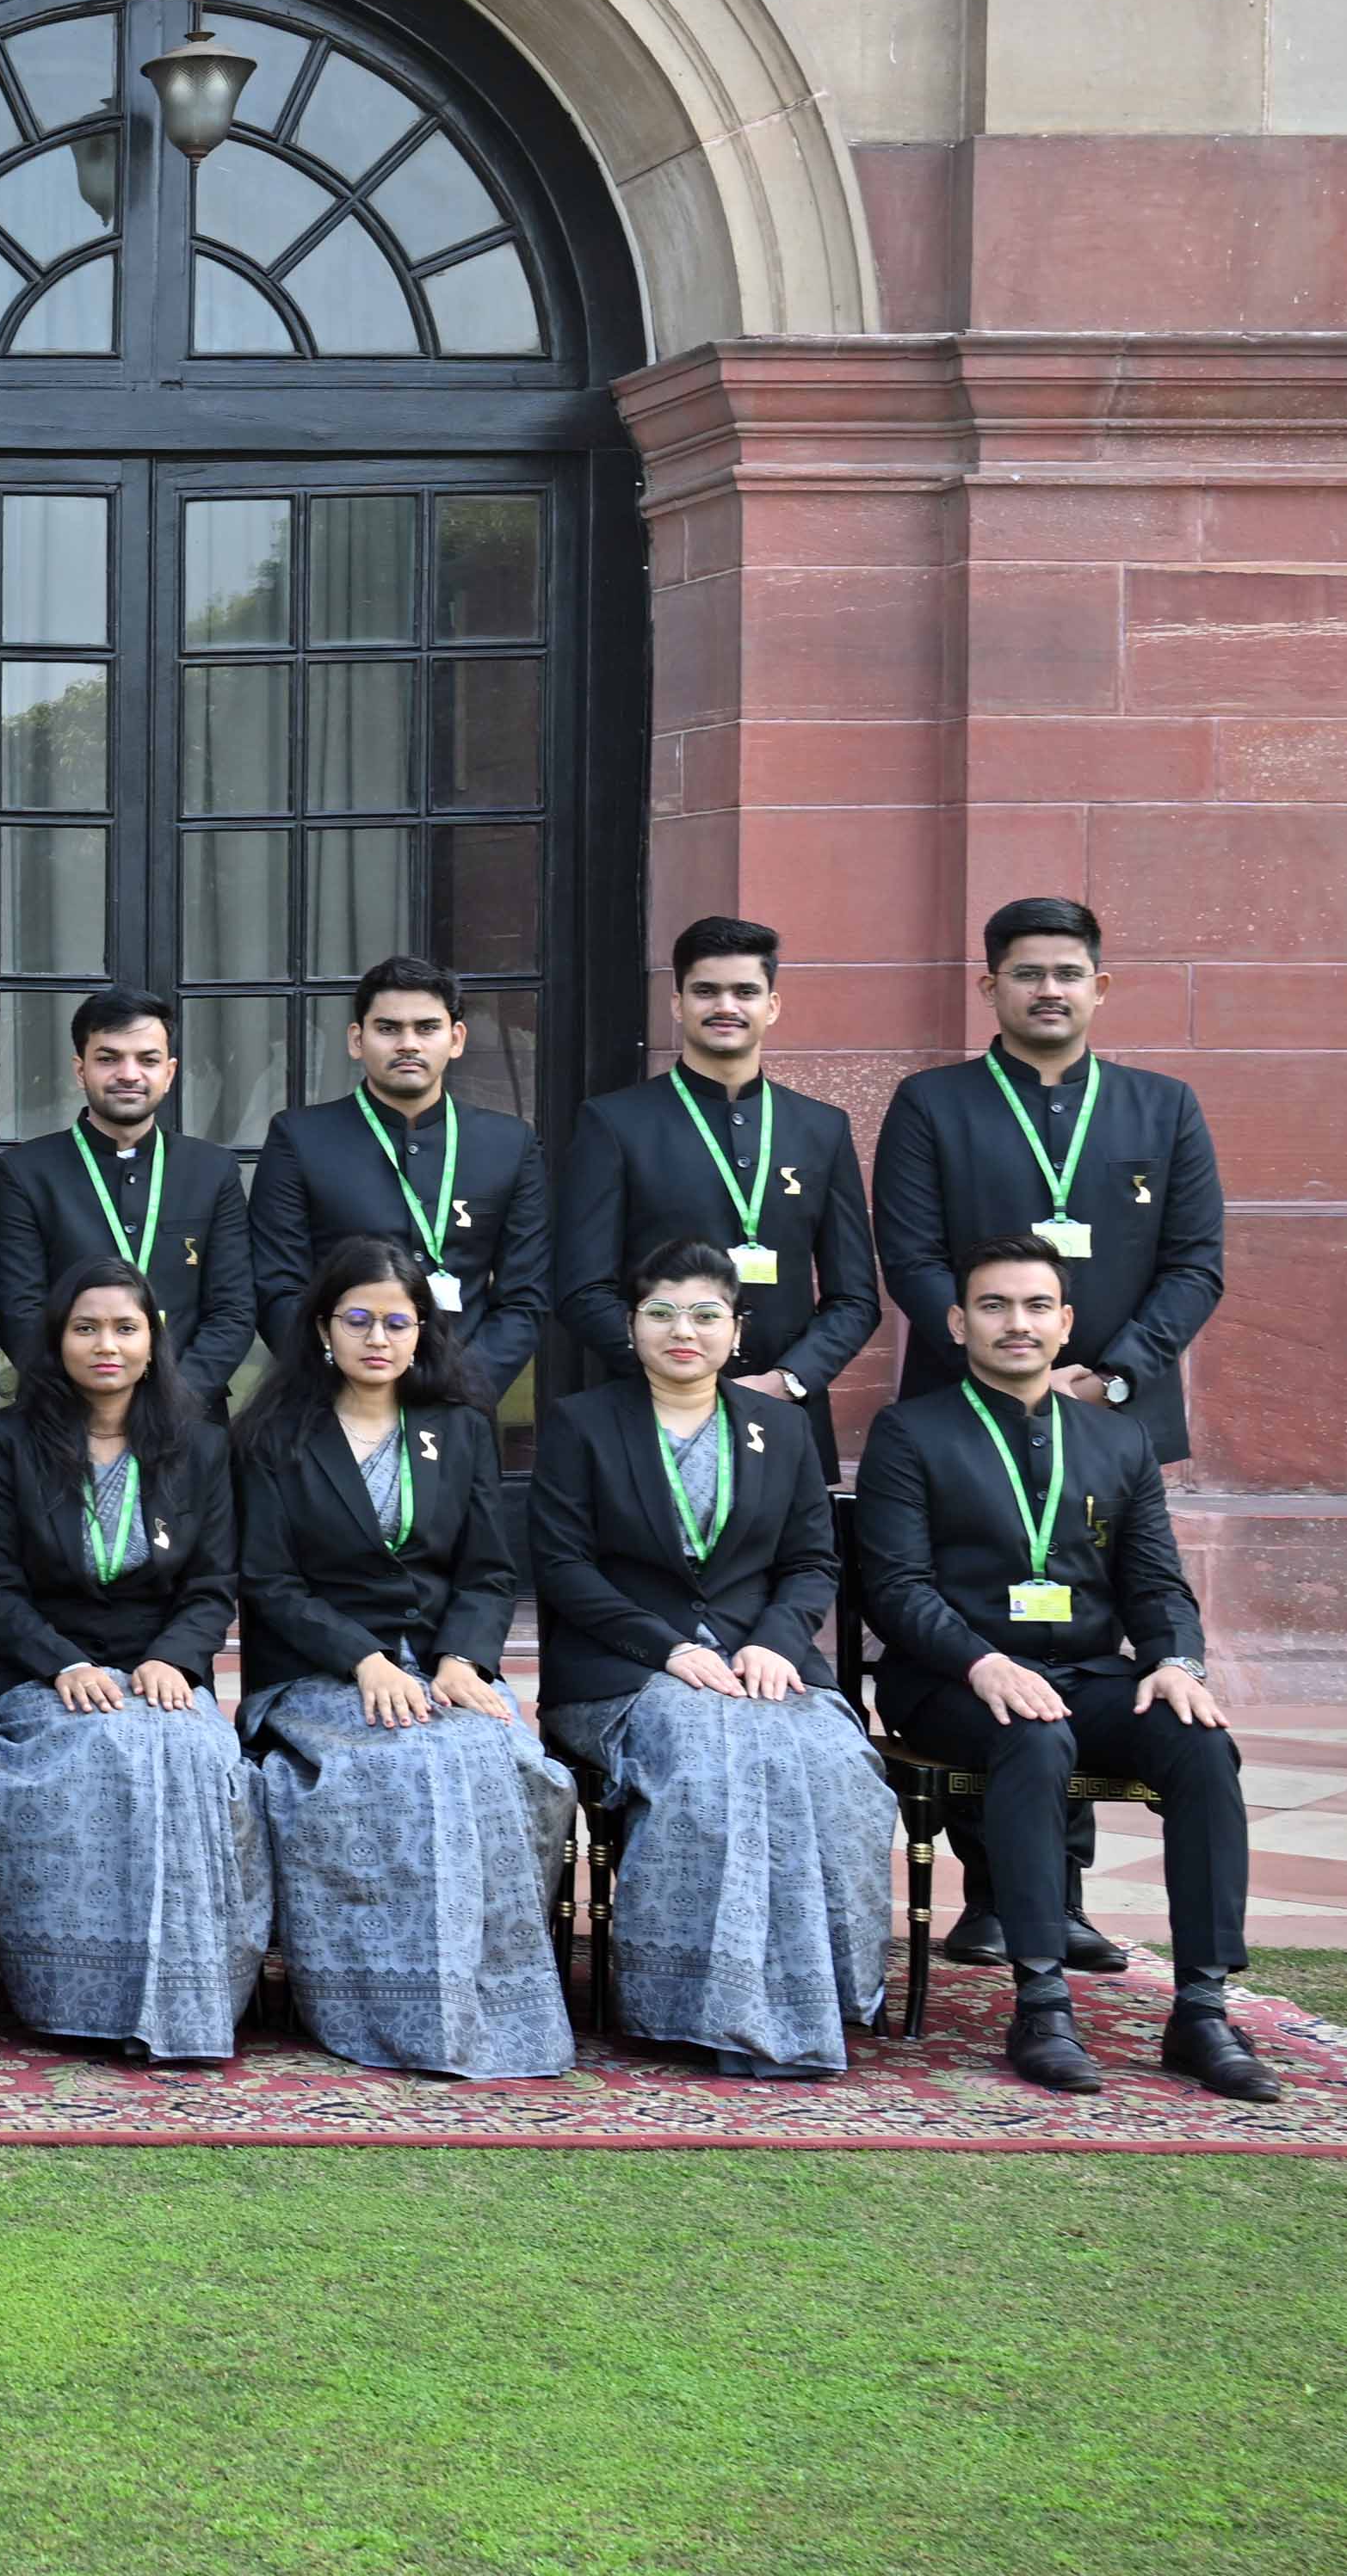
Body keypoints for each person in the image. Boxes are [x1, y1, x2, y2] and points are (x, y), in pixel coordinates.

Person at [869, 897, 1226, 1970]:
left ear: (1100, 987)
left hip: (1111, 1414)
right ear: (991, 988)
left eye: (1069, 972)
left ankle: (1058, 1896)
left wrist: (1106, 1374)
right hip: (966, 1411)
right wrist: (1003, 1363)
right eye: (1026, 973)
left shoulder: (1164, 1109)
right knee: (985, 1616)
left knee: (1076, 1622)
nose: (1048, 990)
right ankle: (997, 1895)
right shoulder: (934, 1105)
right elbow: (912, 1253)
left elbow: (1196, 1261)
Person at [855, 1239, 1275, 2102]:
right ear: (958, 1321)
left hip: (1087, 1671)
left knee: (1200, 1743)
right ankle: (1041, 2003)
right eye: (997, 1306)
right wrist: (983, 1663)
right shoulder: (910, 1432)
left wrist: (1175, 1662)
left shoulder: (1118, 1440)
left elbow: (1155, 1581)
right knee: (1033, 1734)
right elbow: (895, 1589)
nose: (1018, 1324)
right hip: (949, 1677)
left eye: (1037, 1307)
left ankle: (1202, 2010)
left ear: (1066, 1323)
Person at [528, 1241, 888, 2078]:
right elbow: (564, 1568)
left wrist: (773, 1640)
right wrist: (668, 1649)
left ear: (737, 1329)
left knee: (836, 1763)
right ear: (630, 1325)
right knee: (713, 1756)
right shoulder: (584, 1424)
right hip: (626, 1672)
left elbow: (811, 1562)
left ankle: (822, 1994)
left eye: (703, 1313)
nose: (681, 1330)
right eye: (660, 1312)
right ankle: (700, 2003)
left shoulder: (781, 1427)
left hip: (765, 1665)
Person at [233, 1236, 573, 2080]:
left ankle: (495, 2009)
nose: (377, 1339)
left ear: (424, 1330)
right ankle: (383, 2002)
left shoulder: (457, 1427)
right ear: (323, 1328)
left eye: (397, 1321)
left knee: (502, 1761)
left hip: (440, 1670)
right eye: (358, 1320)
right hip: (317, 1675)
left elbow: (490, 1571)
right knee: (413, 1769)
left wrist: (463, 1658)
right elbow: (269, 1583)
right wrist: (364, 1661)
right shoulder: (274, 1436)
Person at [0, 1260, 263, 2064]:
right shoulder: (7, 1441)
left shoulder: (198, 1442)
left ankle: (188, 2000)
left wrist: (175, 1657)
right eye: (85, 1327)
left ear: (154, 1339)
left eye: (126, 1327)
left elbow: (214, 1581)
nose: (107, 1345)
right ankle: (76, 1997)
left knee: (192, 1749)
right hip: (37, 1669)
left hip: (158, 1664)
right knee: (106, 1749)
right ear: (55, 1342)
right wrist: (62, 1664)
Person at [556, 918, 874, 1456]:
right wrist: (679, 1374)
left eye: (745, 991)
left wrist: (787, 1382)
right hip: (647, 1412)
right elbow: (583, 1288)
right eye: (706, 991)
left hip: (784, 1415)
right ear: (678, 1004)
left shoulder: (822, 1128)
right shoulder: (614, 1123)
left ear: (771, 1006)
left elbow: (855, 1297)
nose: (725, 1006)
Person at [245, 957, 550, 1397]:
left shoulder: (509, 1144)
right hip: (330, 1401)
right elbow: (277, 1287)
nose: (408, 1043)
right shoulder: (300, 1138)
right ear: (357, 1039)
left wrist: (460, 1388)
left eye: (427, 1028)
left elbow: (525, 1297)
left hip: (460, 1403)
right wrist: (344, 1381)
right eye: (388, 1028)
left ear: (456, 1038)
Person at [0, 990, 253, 1416]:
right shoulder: (24, 1173)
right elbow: (20, 1312)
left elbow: (233, 1310)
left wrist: (177, 1397)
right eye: (109, 1058)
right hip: (64, 1418)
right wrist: (89, 1402)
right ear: (81, 1070)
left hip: (189, 1419)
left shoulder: (212, 1171)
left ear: (169, 1073)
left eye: (147, 1060)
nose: (129, 1074)